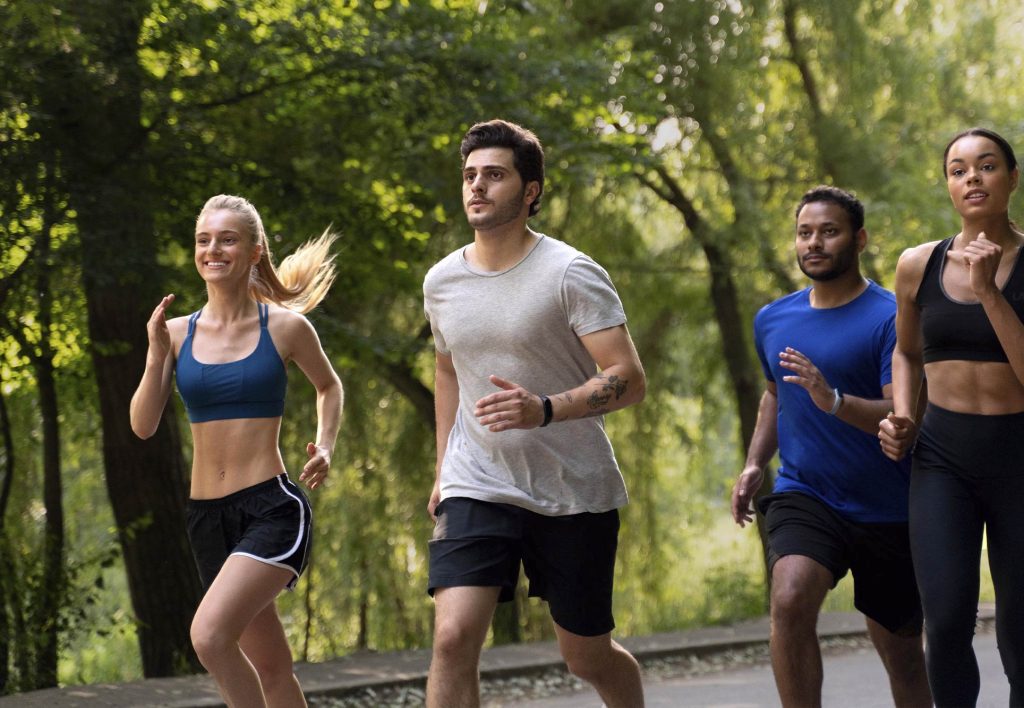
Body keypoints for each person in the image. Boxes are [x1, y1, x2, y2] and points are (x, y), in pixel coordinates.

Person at [422, 119, 647, 708]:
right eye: (469, 175)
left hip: (571, 488)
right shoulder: (441, 281)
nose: (477, 186)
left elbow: (628, 378)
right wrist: (444, 469)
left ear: (530, 191)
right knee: (452, 638)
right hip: (477, 480)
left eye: (494, 175)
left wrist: (543, 409)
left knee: (586, 656)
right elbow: (447, 371)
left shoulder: (570, 272)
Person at [130, 194, 343, 707]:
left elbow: (329, 386)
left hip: (271, 508)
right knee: (271, 667)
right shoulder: (175, 334)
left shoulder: (285, 327)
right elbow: (142, 425)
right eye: (204, 240)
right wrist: (156, 354)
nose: (213, 250)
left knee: (209, 637)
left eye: (227, 240)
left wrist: (326, 445)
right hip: (207, 519)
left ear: (254, 251)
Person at [732, 186, 931, 708]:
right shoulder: (772, 319)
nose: (814, 243)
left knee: (904, 658)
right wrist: (754, 463)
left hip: (888, 507)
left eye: (828, 232)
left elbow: (901, 413)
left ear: (859, 240)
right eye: (805, 233)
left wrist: (835, 400)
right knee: (790, 596)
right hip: (807, 493)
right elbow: (775, 394)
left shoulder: (891, 317)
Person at [879, 127, 1024, 707]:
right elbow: (906, 353)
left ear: (1012, 179)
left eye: (987, 166)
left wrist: (989, 293)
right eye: (958, 170)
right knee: (943, 620)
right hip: (943, 460)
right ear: (948, 185)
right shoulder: (917, 264)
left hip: (1018, 458)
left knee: (1021, 631)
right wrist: (903, 415)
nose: (972, 179)